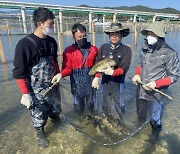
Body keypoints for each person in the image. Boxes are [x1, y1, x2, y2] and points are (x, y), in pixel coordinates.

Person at [12, 7, 61, 148]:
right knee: (39, 115)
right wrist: (25, 94)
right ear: (40, 24)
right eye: (50, 24)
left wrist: (58, 73)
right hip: (35, 89)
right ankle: (40, 133)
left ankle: (57, 122)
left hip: (53, 85)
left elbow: (55, 61)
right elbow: (18, 72)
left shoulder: (52, 42)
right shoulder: (24, 44)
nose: (53, 27)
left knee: (55, 110)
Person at [132, 22, 179, 132]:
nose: (149, 36)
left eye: (152, 34)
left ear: (160, 35)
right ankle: (140, 136)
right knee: (140, 115)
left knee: (155, 120)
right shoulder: (144, 48)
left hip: (156, 94)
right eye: (148, 33)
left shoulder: (170, 53)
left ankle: (154, 142)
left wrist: (155, 84)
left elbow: (174, 76)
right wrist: (137, 74)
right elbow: (140, 64)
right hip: (141, 90)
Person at [52, 23, 98, 112]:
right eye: (79, 37)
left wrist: (97, 77)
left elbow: (99, 66)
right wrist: (60, 74)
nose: (82, 38)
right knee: (78, 109)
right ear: (74, 37)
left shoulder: (94, 49)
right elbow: (67, 68)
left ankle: (92, 123)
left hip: (91, 85)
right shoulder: (68, 51)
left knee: (91, 107)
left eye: (84, 36)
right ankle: (81, 122)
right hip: (76, 86)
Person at [92, 22, 132, 118]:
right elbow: (97, 63)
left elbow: (125, 67)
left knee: (119, 105)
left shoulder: (126, 49)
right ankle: (107, 120)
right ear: (109, 35)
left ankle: (120, 124)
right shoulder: (103, 47)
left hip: (118, 83)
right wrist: (97, 77)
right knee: (105, 104)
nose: (114, 36)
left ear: (122, 35)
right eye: (112, 33)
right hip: (105, 82)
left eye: (117, 33)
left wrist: (114, 72)